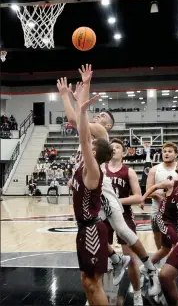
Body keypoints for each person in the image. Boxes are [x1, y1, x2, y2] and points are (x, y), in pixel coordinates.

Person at [57, 65, 159, 293]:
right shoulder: (89, 133)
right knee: (91, 227)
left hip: (101, 188)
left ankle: (150, 269)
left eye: (103, 115)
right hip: (87, 186)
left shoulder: (101, 133)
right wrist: (78, 95)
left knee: (121, 230)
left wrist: (72, 95)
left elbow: (75, 118)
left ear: (108, 126)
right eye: (99, 113)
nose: (98, 114)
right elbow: (79, 118)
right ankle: (116, 259)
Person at [71, 91, 113, 306]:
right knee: (86, 281)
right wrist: (77, 101)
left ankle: (117, 257)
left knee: (93, 283)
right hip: (83, 228)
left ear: (94, 153)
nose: (87, 144)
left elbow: (84, 138)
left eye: (90, 146)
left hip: (92, 229)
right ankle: (115, 257)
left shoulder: (93, 169)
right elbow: (82, 134)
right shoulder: (82, 166)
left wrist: (83, 108)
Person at [142, 157, 178, 305]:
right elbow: (155, 189)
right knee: (166, 272)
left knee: (167, 248)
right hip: (165, 220)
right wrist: (144, 198)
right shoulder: (175, 185)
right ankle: (148, 269)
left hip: (175, 222)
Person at [105, 138, 143, 306]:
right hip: (105, 216)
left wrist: (116, 201)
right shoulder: (101, 170)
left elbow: (138, 197)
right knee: (103, 257)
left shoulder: (129, 171)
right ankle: (108, 294)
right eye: (111, 147)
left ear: (124, 152)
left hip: (124, 215)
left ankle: (137, 293)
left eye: (118, 147)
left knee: (131, 256)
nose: (114, 149)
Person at [146, 142, 178, 249]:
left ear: (176, 154)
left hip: (177, 211)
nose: (166, 154)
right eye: (164, 151)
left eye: (170, 151)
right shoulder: (154, 169)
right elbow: (148, 191)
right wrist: (163, 199)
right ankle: (160, 264)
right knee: (161, 246)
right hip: (158, 211)